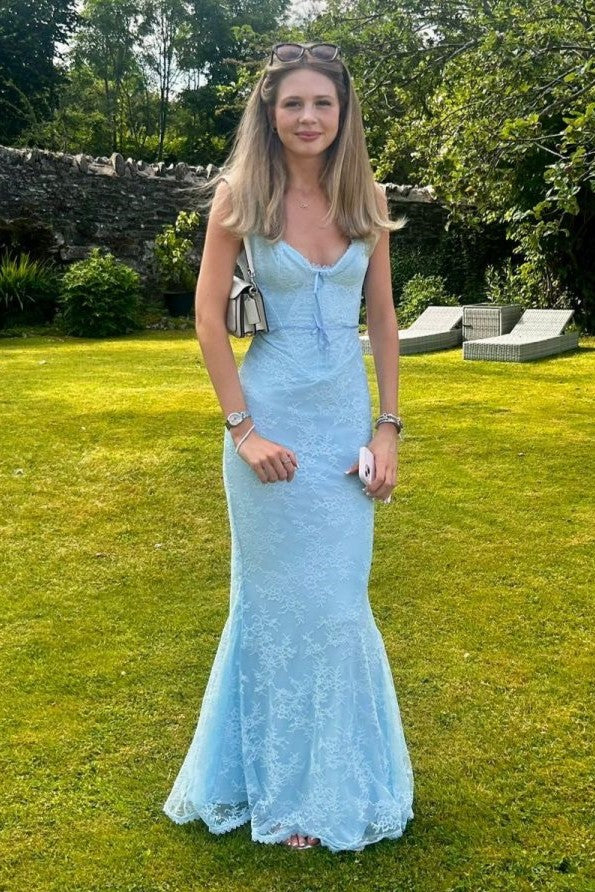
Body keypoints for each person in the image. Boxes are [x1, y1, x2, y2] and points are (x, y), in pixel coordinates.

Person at [163, 40, 414, 853]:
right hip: (267, 424)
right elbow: (208, 320)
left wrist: (387, 428)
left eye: (322, 103)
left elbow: (383, 319)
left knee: (336, 606)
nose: (308, 117)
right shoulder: (240, 196)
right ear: (269, 115)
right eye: (292, 103)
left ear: (343, 114)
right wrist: (243, 431)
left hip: (343, 429)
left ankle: (332, 781)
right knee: (274, 608)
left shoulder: (366, 199)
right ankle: (275, 786)